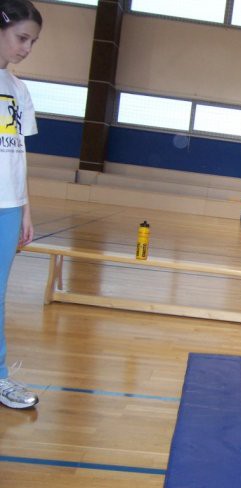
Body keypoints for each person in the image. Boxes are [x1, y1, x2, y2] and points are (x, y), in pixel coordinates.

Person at [0, 0, 42, 409]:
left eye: (33, 42)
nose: (27, 48)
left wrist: (25, 209)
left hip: (9, 207)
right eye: (21, 38)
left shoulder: (19, 90)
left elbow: (18, 154)